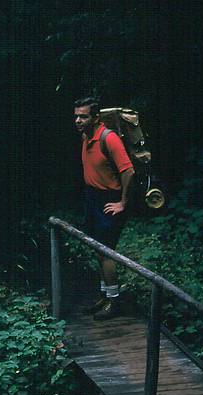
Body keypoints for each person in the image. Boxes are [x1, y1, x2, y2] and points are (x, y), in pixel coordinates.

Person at [74, 97, 135, 320]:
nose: (78, 120)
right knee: (97, 249)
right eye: (77, 116)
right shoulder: (86, 136)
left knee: (106, 251)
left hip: (110, 200)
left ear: (96, 117)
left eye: (83, 116)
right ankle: (106, 295)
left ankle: (115, 301)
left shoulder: (108, 139)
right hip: (93, 198)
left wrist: (122, 202)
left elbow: (128, 170)